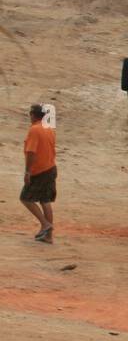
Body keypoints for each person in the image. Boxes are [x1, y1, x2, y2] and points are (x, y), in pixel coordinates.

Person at [20, 103, 56, 244]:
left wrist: (27, 171)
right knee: (45, 201)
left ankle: (46, 225)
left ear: (33, 115)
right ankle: (48, 236)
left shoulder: (34, 130)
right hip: (50, 168)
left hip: (39, 170)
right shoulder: (48, 129)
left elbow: (31, 152)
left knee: (26, 198)